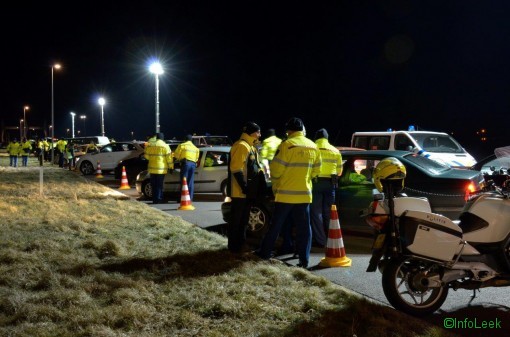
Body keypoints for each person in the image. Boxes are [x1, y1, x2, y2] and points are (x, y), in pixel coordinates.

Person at [257, 117, 321, 268]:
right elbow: (316, 171)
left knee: (276, 226)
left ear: (289, 131)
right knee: (304, 228)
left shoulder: (286, 145)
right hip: (304, 195)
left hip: (285, 195)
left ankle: (264, 254)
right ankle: (304, 260)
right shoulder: (313, 146)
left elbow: (276, 170)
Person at [227, 122, 264, 253]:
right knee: (237, 221)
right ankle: (234, 247)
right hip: (240, 192)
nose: (260, 135)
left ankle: (240, 245)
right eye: (258, 132)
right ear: (253, 133)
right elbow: (236, 168)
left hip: (246, 192)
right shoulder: (242, 146)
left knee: (243, 221)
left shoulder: (250, 146)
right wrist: (244, 187)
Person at [310, 128, 343, 247]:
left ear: (316, 138)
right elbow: (339, 172)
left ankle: (320, 240)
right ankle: (331, 239)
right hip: (330, 184)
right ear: (327, 138)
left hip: (316, 182)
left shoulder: (313, 148)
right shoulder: (335, 150)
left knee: (316, 213)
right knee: (328, 212)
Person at [144, 132, 173, 204]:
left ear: (156, 138)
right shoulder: (165, 146)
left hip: (152, 169)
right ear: (162, 138)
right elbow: (169, 158)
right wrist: (171, 167)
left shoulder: (150, 145)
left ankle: (154, 199)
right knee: (159, 185)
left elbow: (146, 156)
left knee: (153, 185)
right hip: (161, 169)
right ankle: (159, 199)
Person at [173, 134, 200, 201]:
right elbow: (197, 158)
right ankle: (190, 198)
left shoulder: (182, 145)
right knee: (190, 182)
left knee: (184, 181)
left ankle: (182, 199)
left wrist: (179, 159)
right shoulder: (195, 148)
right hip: (193, 164)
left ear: (185, 139)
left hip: (186, 163)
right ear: (191, 140)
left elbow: (176, 155)